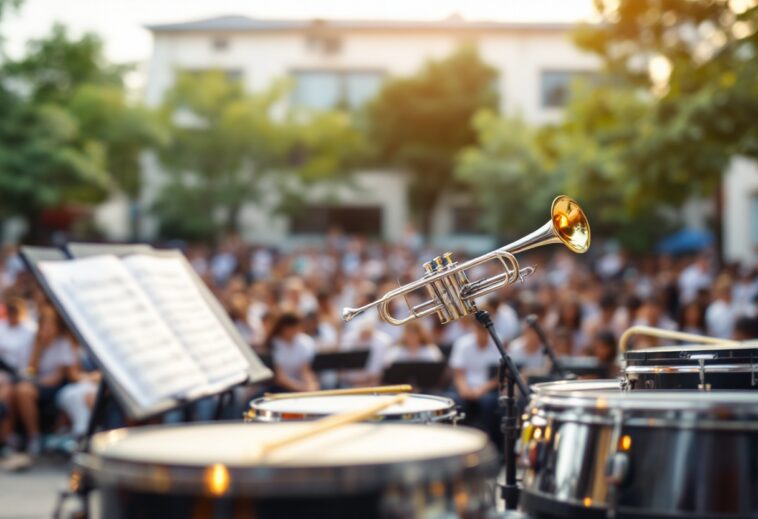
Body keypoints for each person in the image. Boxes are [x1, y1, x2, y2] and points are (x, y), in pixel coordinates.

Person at [3, 306, 76, 469]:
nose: (46, 329)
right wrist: (38, 349)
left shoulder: (63, 344)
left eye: (49, 326)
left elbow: (56, 377)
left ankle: (33, 436)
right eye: (43, 325)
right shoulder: (34, 342)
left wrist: (33, 382)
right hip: (34, 383)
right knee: (10, 391)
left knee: (23, 390)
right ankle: (9, 439)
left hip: (53, 387)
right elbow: (29, 369)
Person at [449, 322, 501, 444]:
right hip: (465, 388)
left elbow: (498, 376)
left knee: (489, 403)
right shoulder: (462, 343)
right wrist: (464, 389)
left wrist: (482, 389)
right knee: (456, 402)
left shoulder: (498, 343)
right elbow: (458, 373)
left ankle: (490, 442)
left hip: (487, 389)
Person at [266, 313, 318, 393]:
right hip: (279, 389)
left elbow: (305, 370)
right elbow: (280, 378)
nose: (294, 330)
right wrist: (300, 388)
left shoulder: (303, 342)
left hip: (299, 386)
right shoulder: (273, 344)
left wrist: (311, 385)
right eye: (291, 327)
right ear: (282, 328)